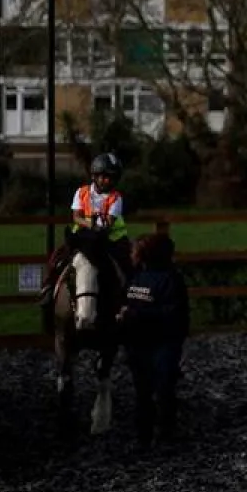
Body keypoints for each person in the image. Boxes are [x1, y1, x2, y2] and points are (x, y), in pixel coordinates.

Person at [117, 232, 191, 449]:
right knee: (142, 390)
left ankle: (166, 433)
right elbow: (126, 300)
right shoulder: (135, 277)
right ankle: (144, 434)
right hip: (138, 341)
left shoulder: (170, 279)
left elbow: (173, 313)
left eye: (134, 250)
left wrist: (135, 315)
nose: (131, 254)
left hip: (163, 342)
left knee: (163, 387)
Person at [41, 152, 132, 309]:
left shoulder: (116, 198)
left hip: (112, 239)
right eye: (104, 177)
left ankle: (127, 296)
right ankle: (48, 289)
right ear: (94, 176)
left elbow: (108, 224)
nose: (108, 181)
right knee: (58, 257)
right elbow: (76, 217)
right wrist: (92, 225)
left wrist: (94, 225)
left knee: (127, 263)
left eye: (112, 178)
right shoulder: (81, 192)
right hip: (83, 236)